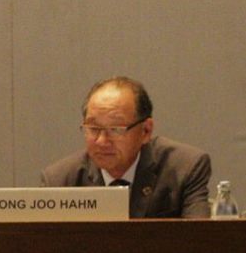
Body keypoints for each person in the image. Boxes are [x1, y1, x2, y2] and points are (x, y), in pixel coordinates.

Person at [40, 77, 211, 218]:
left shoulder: (184, 169)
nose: (102, 141)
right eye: (93, 128)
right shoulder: (60, 181)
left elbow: (199, 241)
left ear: (145, 131)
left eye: (116, 129)